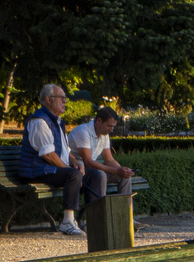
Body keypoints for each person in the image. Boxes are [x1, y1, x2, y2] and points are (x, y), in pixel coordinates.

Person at [19, 84, 103, 236]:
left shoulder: (57, 121)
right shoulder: (39, 122)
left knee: (95, 175)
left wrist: (76, 163)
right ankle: (67, 222)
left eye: (65, 98)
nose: (65, 101)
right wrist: (70, 170)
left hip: (52, 169)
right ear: (48, 99)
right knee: (73, 175)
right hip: (37, 170)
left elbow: (66, 151)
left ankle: (94, 221)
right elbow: (48, 155)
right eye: (61, 98)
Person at [68, 105, 135, 196]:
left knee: (125, 177)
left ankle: (124, 208)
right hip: (76, 171)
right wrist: (116, 171)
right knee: (100, 175)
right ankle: (102, 208)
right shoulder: (83, 132)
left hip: (91, 171)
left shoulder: (104, 135)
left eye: (113, 126)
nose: (111, 130)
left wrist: (121, 170)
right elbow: (88, 162)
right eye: (109, 126)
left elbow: (109, 160)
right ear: (99, 121)